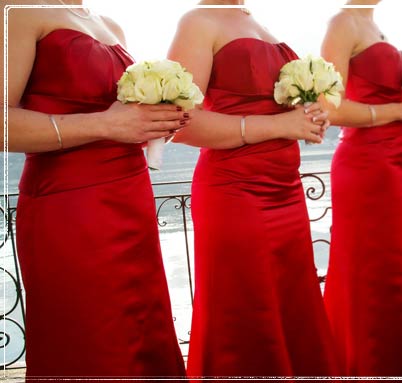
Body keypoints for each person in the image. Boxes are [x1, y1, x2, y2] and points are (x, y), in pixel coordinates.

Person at [5, 1, 187, 379]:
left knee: (142, 333)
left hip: (131, 200)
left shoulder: (109, 24)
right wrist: (107, 125)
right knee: (93, 341)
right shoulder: (19, 9)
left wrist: (152, 123)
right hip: (71, 206)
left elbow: (117, 119)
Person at [167, 0, 338, 377]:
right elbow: (180, 123)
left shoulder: (253, 19)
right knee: (248, 314)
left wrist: (309, 115)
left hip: (287, 191)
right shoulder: (198, 20)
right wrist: (280, 127)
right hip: (236, 191)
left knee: (292, 310)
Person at [319, 0, 402, 376]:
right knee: (374, 270)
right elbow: (330, 109)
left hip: (398, 163)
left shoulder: (375, 26)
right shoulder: (342, 22)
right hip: (366, 167)